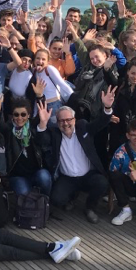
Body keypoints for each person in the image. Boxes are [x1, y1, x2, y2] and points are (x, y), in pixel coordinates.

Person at [35, 88, 116, 224]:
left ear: (74, 119)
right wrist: (42, 123)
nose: (65, 123)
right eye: (61, 121)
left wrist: (107, 107)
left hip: (87, 175)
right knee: (56, 199)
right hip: (67, 178)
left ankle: (90, 208)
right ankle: (71, 197)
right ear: (57, 122)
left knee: (102, 183)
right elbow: (41, 140)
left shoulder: (83, 127)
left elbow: (101, 123)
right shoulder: (54, 133)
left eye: (68, 120)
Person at [0, 97, 51, 197]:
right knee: (24, 193)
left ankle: (45, 203)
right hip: (18, 176)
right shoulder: (9, 129)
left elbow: (43, 141)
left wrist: (40, 96)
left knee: (44, 177)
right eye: (16, 114)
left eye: (23, 114)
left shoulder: (33, 127)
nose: (19, 118)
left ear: (28, 115)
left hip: (35, 171)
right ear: (12, 116)